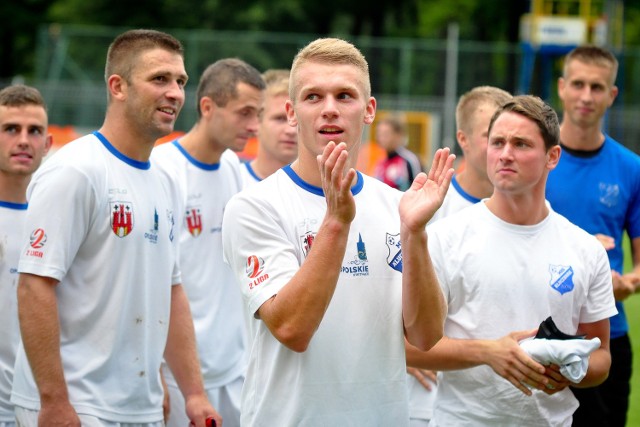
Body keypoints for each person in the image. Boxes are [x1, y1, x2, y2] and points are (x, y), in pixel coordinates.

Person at [221, 37, 453, 426]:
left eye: (345, 96)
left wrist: (415, 234)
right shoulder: (255, 206)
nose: (330, 109)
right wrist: (336, 222)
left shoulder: (399, 206)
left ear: (369, 110)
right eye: (313, 97)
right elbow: (292, 329)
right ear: (292, 113)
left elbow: (427, 335)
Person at [11, 29, 220, 427]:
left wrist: (194, 394)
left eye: (180, 81)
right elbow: (34, 286)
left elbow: (171, 291)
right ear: (118, 86)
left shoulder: (167, 180)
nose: (175, 92)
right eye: (160, 79)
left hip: (140, 405)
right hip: (77, 405)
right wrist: (54, 401)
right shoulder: (76, 170)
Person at [408, 95, 617, 426]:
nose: (505, 154)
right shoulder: (445, 238)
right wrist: (489, 353)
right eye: (498, 142)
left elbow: (602, 357)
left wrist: (570, 371)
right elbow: (410, 346)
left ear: (552, 156)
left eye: (521, 144)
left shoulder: (583, 249)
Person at [152, 57, 265, 427]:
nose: (254, 126)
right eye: (245, 113)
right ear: (207, 107)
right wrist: (154, 368)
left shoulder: (234, 167)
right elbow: (151, 281)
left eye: (259, 114)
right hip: (178, 373)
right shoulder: (163, 169)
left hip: (233, 367)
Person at [546, 45, 640, 427]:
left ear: (611, 95)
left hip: (606, 336)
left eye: (597, 87)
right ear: (562, 88)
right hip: (541, 331)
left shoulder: (631, 168)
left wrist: (625, 286)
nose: (587, 96)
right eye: (579, 84)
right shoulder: (535, 157)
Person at [407, 85, 512, 426]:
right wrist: (400, 350)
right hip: (431, 399)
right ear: (463, 140)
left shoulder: (525, 209)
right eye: (491, 136)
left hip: (505, 397)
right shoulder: (427, 206)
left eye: (510, 135)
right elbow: (389, 302)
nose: (503, 147)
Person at [0, 84, 52, 427]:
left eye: (34, 131)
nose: (23, 140)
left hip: (39, 407)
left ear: (48, 144)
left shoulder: (55, 220)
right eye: (10, 129)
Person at [429, 86, 513, 223]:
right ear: (463, 139)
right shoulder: (434, 208)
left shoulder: (530, 208)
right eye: (493, 137)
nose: (507, 150)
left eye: (515, 139)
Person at [241, 68, 297, 186]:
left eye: (298, 120)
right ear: (256, 121)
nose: (291, 130)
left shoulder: (326, 189)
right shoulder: (232, 182)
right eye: (280, 119)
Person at [373, 114, 423, 191]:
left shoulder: (409, 160)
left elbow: (419, 190)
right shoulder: (380, 162)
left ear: (398, 135)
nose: (380, 138)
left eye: (385, 134)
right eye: (379, 134)